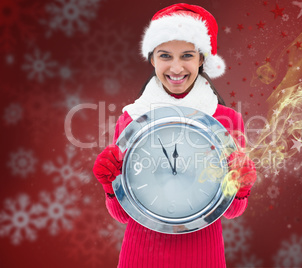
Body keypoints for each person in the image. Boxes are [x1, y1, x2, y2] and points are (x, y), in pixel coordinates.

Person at [93, 3, 257, 268]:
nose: (176, 68)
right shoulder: (130, 119)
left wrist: (241, 185)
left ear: (202, 59)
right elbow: (123, 216)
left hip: (203, 256)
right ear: (152, 58)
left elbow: (233, 211)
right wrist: (109, 184)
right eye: (166, 56)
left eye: (187, 56)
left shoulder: (226, 120)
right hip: (140, 255)